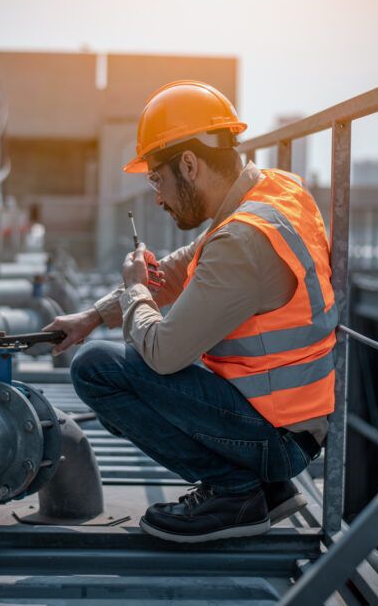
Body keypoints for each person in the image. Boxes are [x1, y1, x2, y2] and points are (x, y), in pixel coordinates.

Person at [44, 80, 337, 543]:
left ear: (189, 164)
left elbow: (163, 354)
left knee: (97, 368)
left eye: (157, 179)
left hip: (275, 439)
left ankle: (234, 490)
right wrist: (93, 317)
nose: (157, 197)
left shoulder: (242, 240)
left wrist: (135, 290)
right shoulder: (275, 194)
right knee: (111, 352)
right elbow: (184, 268)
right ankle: (267, 490)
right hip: (295, 424)